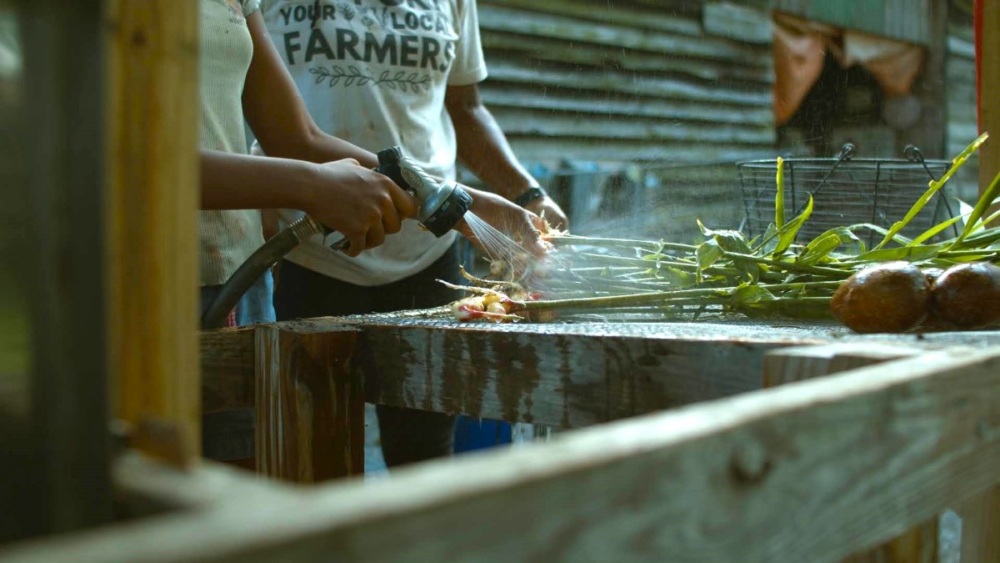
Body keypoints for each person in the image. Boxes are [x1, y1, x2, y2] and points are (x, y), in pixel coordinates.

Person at [198, 0, 548, 462]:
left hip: (236, 285)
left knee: (248, 471)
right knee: (300, 457)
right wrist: (308, 185)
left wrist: (471, 204)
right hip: (195, 279)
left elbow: (299, 137)